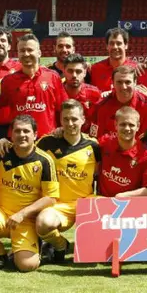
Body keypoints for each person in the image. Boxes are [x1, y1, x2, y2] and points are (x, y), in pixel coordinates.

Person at [0, 115, 58, 272]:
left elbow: (50, 198)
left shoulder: (44, 160)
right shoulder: (1, 152)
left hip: (26, 219)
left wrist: (22, 214)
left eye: (26, 131)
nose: (21, 135)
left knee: (27, 266)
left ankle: (35, 246)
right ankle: (0, 253)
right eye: (17, 131)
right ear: (11, 134)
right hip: (1, 212)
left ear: (35, 135)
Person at [35, 100, 101, 263]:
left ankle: (99, 250)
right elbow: (25, 153)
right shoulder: (47, 143)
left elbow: (99, 174)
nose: (70, 123)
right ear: (60, 120)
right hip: (57, 204)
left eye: (74, 119)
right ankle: (61, 245)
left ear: (83, 120)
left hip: (85, 203)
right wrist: (4, 143)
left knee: (110, 209)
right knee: (43, 224)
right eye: (65, 119)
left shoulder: (94, 146)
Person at [0, 33, 67, 138]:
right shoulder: (8, 81)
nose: (26, 54)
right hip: (20, 140)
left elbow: (63, 108)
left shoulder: (53, 77)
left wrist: (62, 128)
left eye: (30, 50)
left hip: (48, 140)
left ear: (39, 53)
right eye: (22, 51)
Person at [97, 107, 147, 197]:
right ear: (115, 125)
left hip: (131, 206)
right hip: (102, 202)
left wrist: (121, 197)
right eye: (123, 124)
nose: (127, 128)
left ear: (138, 126)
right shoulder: (104, 142)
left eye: (131, 125)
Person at [91, 65, 147, 139]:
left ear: (135, 82)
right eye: (119, 82)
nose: (124, 87)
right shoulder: (100, 106)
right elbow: (95, 137)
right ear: (113, 83)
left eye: (128, 82)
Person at [61, 54, 102, 135]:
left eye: (78, 71)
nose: (74, 75)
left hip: (87, 140)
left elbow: (98, 119)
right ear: (64, 71)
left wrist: (92, 138)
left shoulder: (95, 93)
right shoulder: (56, 92)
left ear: (85, 73)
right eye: (70, 71)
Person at [90, 28, 137, 92]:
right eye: (112, 43)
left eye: (119, 43)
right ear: (107, 46)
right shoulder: (95, 69)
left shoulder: (136, 69)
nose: (115, 47)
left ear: (126, 45)